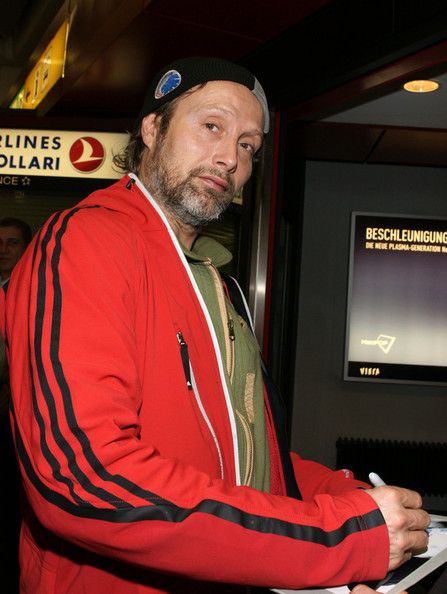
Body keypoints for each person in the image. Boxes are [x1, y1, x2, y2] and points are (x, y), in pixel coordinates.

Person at [3, 57, 429, 594]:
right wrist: (336, 538)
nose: (231, 157)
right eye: (212, 126)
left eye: (249, 145)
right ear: (152, 129)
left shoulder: (214, 282)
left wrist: (348, 499)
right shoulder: (86, 243)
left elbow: (243, 457)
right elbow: (83, 479)